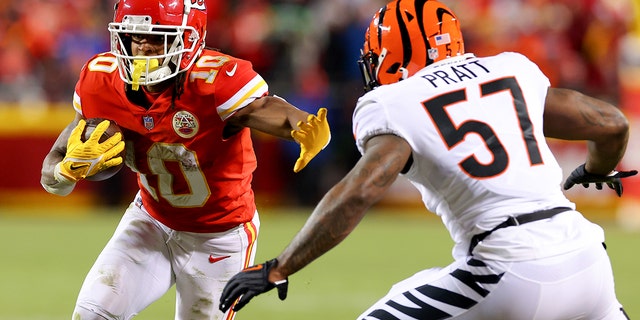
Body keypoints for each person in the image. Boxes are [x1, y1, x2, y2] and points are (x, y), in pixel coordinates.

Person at [218, 1, 637, 319]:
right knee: (419, 285)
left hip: (506, 269)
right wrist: (596, 170)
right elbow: (611, 123)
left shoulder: (394, 101)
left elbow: (359, 191)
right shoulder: (510, 69)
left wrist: (279, 267)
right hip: (589, 260)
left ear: (389, 56)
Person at [39, 0, 330, 319]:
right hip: (151, 220)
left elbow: (265, 108)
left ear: (190, 38)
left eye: (156, 37)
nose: (143, 48)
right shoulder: (102, 80)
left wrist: (303, 126)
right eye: (135, 37)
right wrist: (65, 173)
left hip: (221, 237)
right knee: (91, 315)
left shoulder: (216, 81)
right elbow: (50, 172)